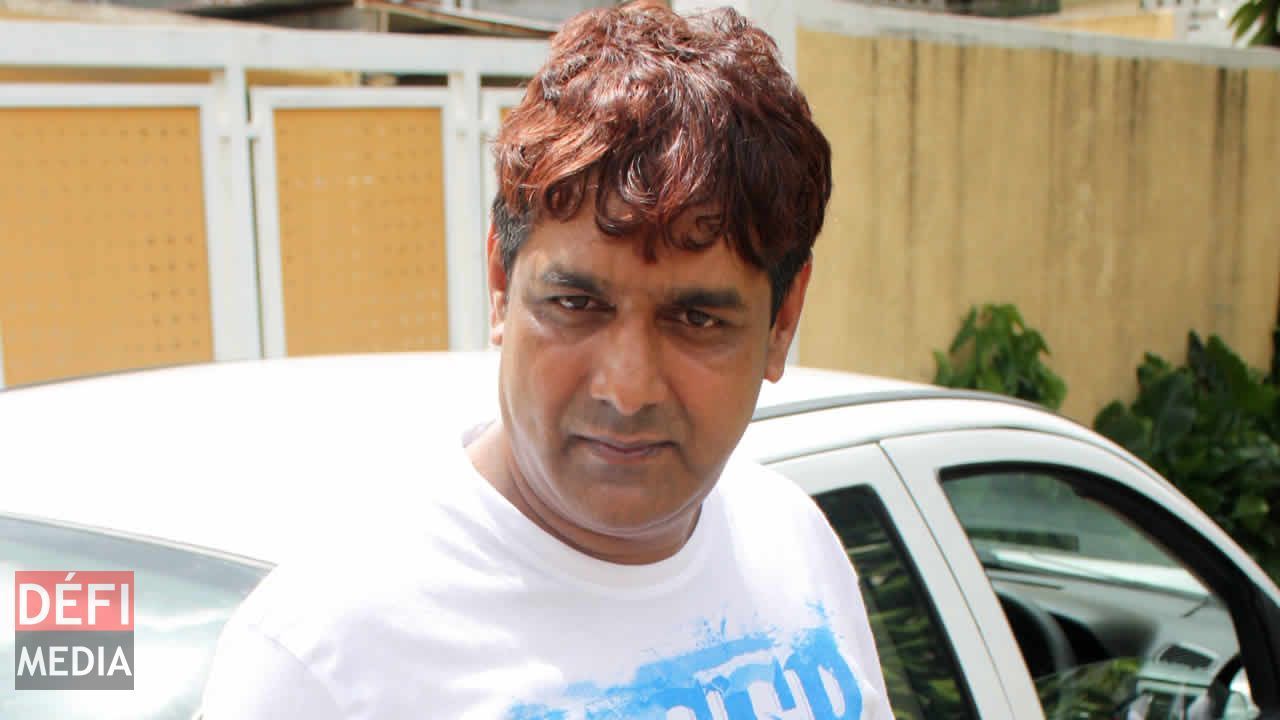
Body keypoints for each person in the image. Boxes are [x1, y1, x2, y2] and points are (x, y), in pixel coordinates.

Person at [199, 2, 893, 718]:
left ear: (782, 321)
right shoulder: (322, 655)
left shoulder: (794, 544)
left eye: (696, 320)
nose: (627, 389)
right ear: (501, 285)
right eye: (576, 304)